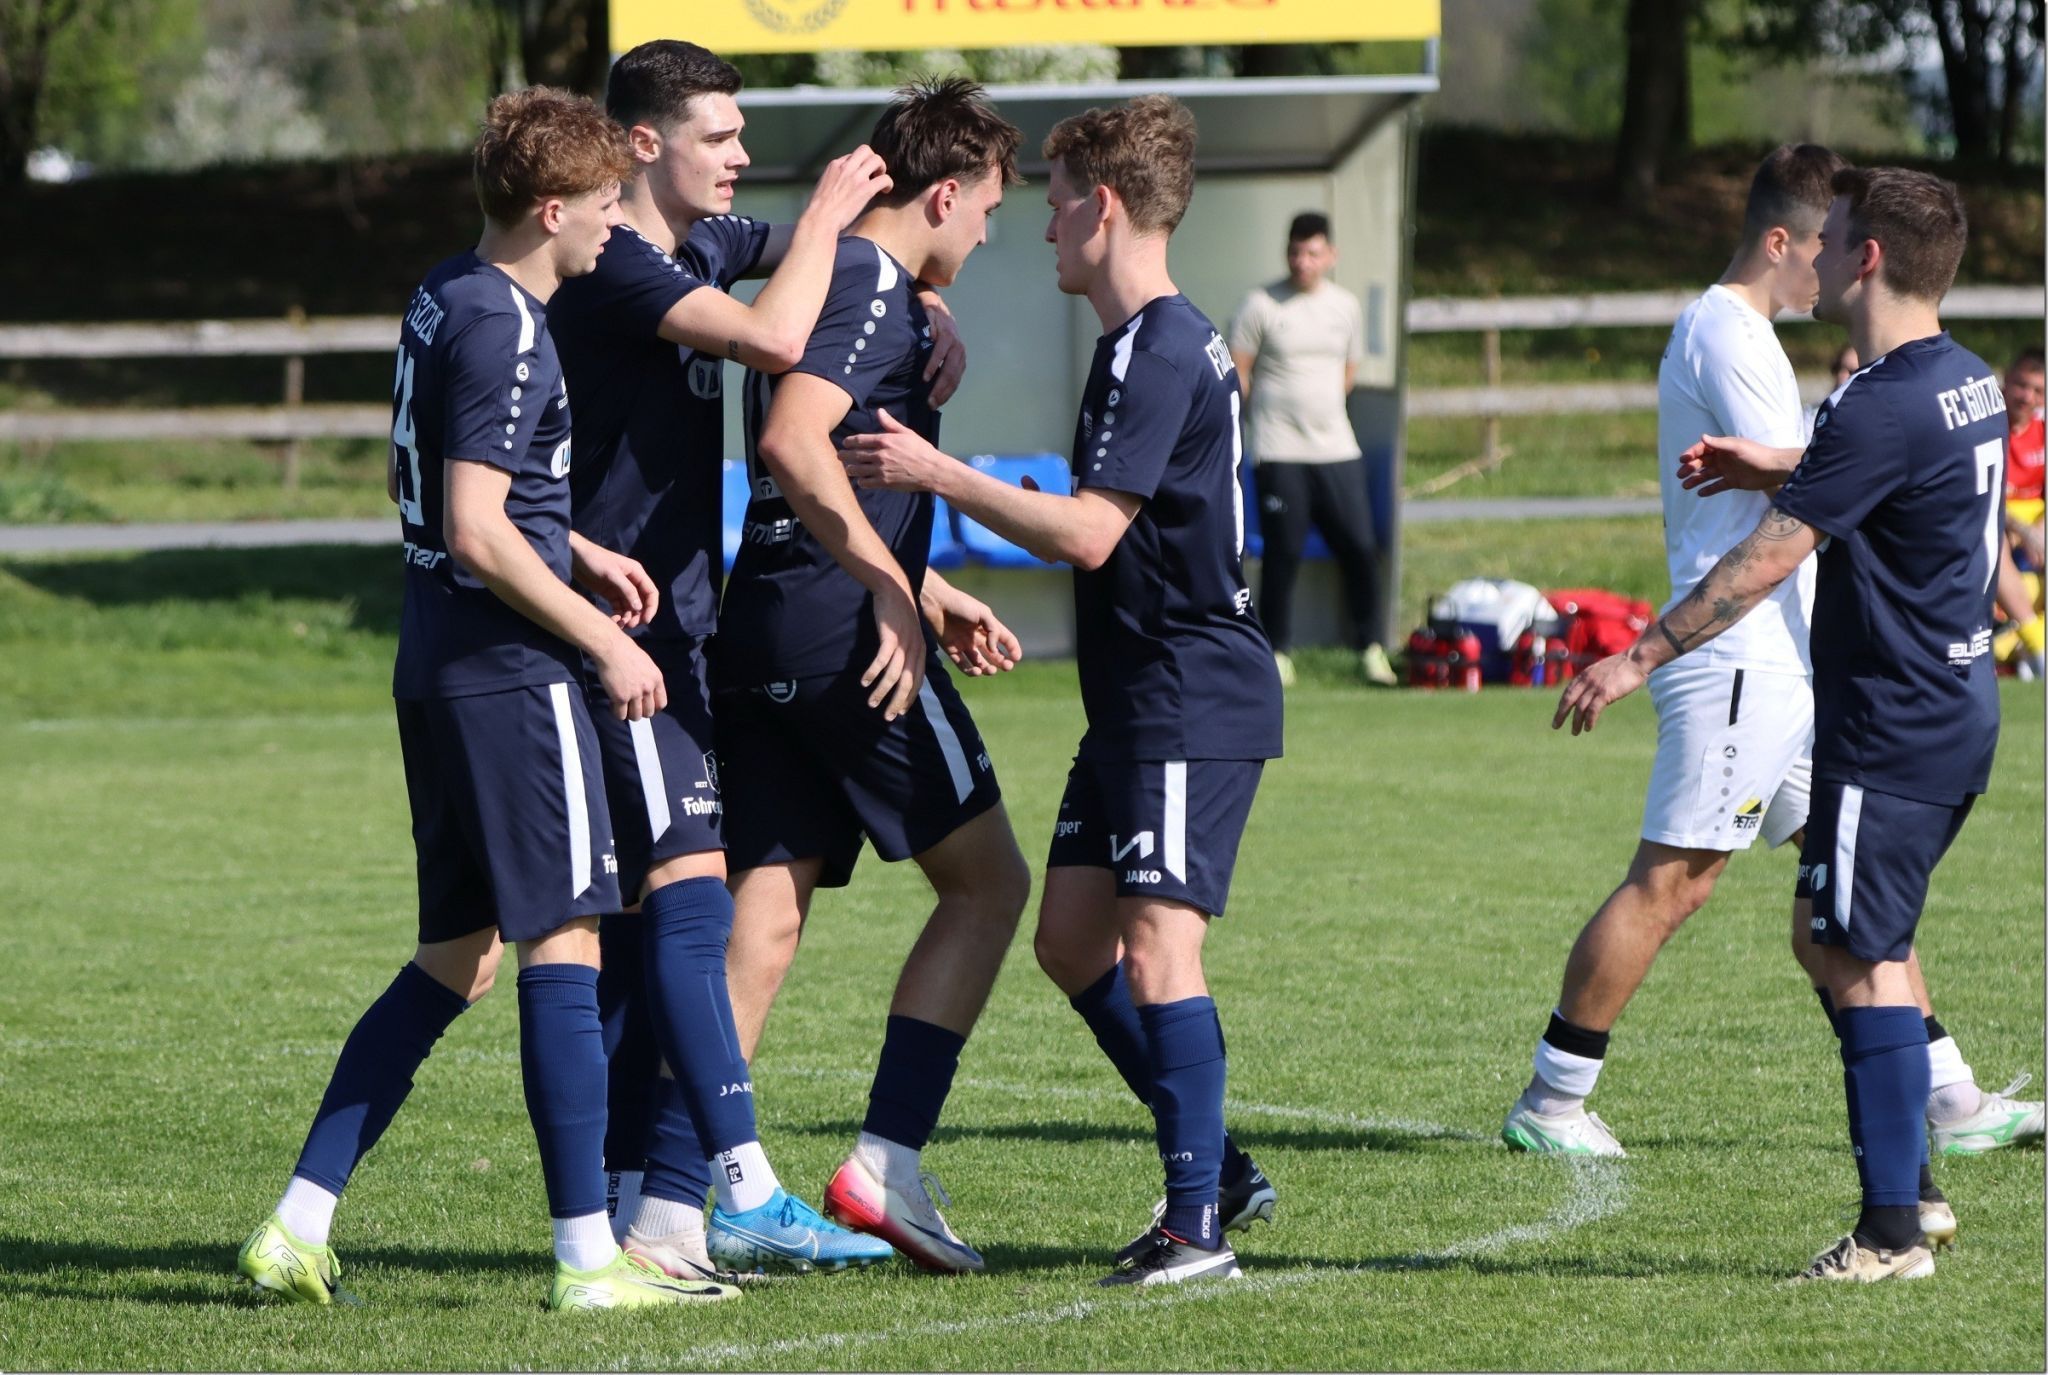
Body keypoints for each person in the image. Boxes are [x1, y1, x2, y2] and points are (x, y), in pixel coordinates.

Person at [235, 88, 732, 1310]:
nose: (617, 231)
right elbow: (471, 526)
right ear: (552, 208)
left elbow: (477, 507)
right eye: (608, 208)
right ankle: (586, 1258)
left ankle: (298, 1220)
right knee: (563, 940)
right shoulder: (511, 322)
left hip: (437, 662)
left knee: (454, 961)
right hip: (511, 674)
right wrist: (599, 641)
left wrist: (574, 549)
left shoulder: (442, 293)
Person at [1503, 146, 2037, 1199]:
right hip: (1735, 650)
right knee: (1676, 880)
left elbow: (1832, 459)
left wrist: (1789, 453)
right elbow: (1826, 475)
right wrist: (1638, 652)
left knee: (1853, 906)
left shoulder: (1803, 351)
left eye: (1844, 246)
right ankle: (1553, 1096)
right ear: (1784, 241)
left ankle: (1950, 1100)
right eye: (1818, 246)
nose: (1823, 270)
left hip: (1787, 652)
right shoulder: (1727, 328)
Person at [842, 94, 1285, 1287]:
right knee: (1069, 938)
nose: (1038, 227)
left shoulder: (1155, 346)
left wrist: (938, 470)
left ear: (1101, 202)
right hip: (1139, 696)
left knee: (1155, 946)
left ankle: (1194, 1224)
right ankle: (1219, 1166)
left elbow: (1089, 532)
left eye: (1051, 200)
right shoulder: (1137, 343)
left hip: (1190, 692)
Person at [547, 39, 944, 1280]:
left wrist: (912, 286)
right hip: (607, 636)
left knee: (628, 931)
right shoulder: (612, 260)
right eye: (720, 136)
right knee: (688, 899)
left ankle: (630, 1205)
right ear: (643, 145)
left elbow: (826, 262)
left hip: (670, 632)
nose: (743, 157)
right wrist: (834, 212)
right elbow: (779, 341)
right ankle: (734, 1185)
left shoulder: (699, 241)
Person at [713, 77, 1032, 1276]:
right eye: (988, 210)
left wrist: (929, 588)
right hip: (839, 639)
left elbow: (825, 475)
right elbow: (795, 443)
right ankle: (884, 1161)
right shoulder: (866, 282)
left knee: (770, 908)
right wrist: (894, 593)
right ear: (941, 193)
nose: (989, 234)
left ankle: (701, 1179)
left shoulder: (837, 281)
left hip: (772, 631)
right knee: (990, 884)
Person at [1228, 212, 1394, 687]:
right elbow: (1240, 373)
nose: (1303, 262)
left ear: (1330, 256)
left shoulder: (1345, 306)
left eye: (1313, 253)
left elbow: (1349, 371)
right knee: (1283, 553)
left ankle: (1370, 647)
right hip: (1279, 450)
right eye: (1296, 252)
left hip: (1337, 448)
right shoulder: (1260, 304)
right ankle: (1277, 651)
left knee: (1361, 548)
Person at [1991, 348, 2045, 674]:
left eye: (2038, 390)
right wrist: (2022, 531)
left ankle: (2022, 648)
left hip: (2033, 531)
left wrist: (2038, 530)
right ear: (2006, 381)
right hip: (1999, 526)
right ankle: (2032, 647)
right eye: (2022, 385)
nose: (2027, 397)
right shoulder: (1987, 424)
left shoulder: (2043, 432)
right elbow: (1986, 497)